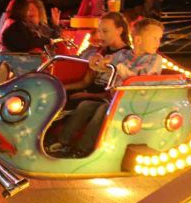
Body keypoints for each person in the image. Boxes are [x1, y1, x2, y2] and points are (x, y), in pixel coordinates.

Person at [50, 17, 162, 158]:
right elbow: (108, 61)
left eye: (158, 38)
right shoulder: (125, 55)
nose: (158, 43)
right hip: (117, 101)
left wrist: (116, 67)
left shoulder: (154, 59)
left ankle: (83, 149)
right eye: (155, 38)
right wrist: (97, 61)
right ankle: (63, 142)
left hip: (136, 103)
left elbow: (137, 77)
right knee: (85, 105)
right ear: (138, 40)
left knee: (103, 110)